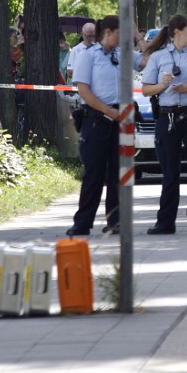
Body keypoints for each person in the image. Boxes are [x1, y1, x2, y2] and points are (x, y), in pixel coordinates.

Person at [66, 16, 142, 236]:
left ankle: (115, 221)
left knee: (119, 174)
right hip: (97, 120)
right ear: (108, 32)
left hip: (121, 121)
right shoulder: (88, 56)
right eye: (121, 33)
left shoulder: (123, 55)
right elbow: (83, 90)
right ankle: (83, 223)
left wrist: (138, 36)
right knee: (94, 174)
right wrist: (109, 112)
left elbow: (147, 61)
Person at [141, 14, 187, 235]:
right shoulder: (158, 57)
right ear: (177, 32)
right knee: (170, 173)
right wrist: (162, 85)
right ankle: (165, 222)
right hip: (168, 118)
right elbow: (146, 90)